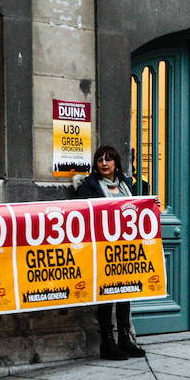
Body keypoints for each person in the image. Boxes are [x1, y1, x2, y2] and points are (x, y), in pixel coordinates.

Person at [76, 145, 146, 359]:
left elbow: (142, 202)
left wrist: (154, 203)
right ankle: (107, 343)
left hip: (125, 249)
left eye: (108, 159)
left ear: (116, 162)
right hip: (102, 250)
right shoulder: (90, 186)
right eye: (100, 160)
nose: (104, 163)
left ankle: (125, 340)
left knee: (125, 294)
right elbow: (79, 212)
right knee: (106, 296)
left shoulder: (127, 185)